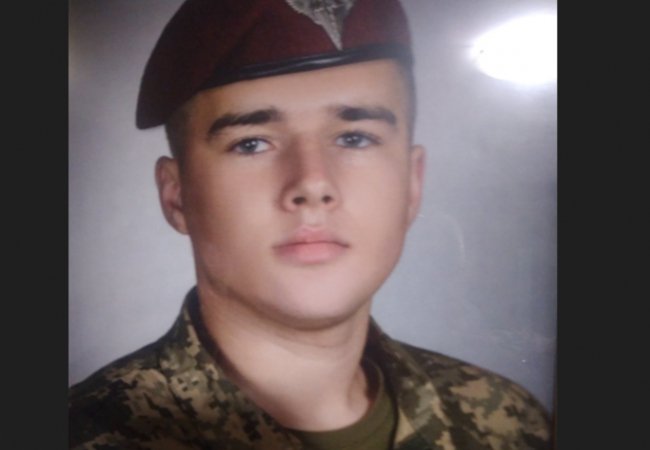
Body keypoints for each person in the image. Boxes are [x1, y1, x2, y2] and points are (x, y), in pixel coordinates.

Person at [69, 0, 552, 448]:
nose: (312, 183)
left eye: (355, 138)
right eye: (252, 143)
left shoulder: (509, 423)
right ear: (177, 196)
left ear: (412, 184)